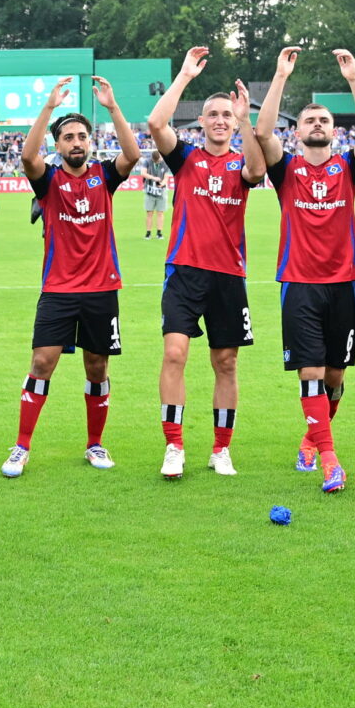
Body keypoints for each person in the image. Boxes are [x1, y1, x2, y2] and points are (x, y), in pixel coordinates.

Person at [250, 47, 355, 489]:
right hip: (299, 284)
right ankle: (329, 458)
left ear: (333, 129)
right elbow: (262, 131)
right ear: (299, 131)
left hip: (344, 283)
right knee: (310, 371)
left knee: (336, 377)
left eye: (324, 120)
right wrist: (280, 77)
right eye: (309, 120)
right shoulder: (286, 171)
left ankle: (311, 438)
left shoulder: (347, 168)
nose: (318, 124)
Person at [4, 75, 143, 478]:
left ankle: (95, 445)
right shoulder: (48, 180)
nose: (77, 142)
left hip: (102, 289)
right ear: (58, 144)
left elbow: (132, 154)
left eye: (82, 135)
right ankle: (22, 446)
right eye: (68, 137)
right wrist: (48, 107)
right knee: (42, 362)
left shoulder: (104, 175)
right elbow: (28, 157)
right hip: (59, 290)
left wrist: (114, 108)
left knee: (97, 368)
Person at [145, 47, 269, 479]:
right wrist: (182, 76)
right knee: (175, 353)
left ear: (234, 122)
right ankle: (174, 445)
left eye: (226, 115)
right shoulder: (187, 160)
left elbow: (257, 169)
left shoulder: (241, 162)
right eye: (212, 113)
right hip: (184, 271)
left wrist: (247, 117)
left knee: (226, 362)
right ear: (201, 121)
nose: (219, 119)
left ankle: (221, 449)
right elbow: (156, 124)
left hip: (229, 276)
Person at [140, 152, 169, 239]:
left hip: (161, 192)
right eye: (155, 160)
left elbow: (166, 177)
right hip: (149, 192)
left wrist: (162, 184)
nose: (157, 161)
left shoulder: (164, 163)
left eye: (159, 160)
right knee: (149, 213)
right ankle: (148, 233)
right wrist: (153, 178)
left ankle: (159, 233)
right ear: (152, 159)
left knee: (160, 212)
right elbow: (143, 173)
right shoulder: (147, 162)